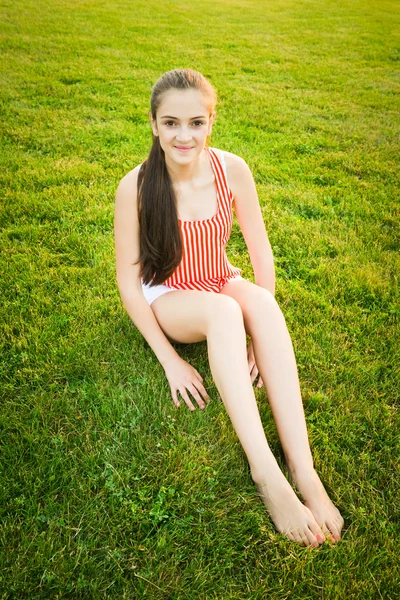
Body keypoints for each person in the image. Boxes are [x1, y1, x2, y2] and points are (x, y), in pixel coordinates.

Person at [114, 68, 344, 547]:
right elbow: (130, 284)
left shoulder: (231, 169)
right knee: (224, 314)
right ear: (154, 124)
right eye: (171, 123)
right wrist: (170, 360)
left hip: (219, 277)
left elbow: (260, 254)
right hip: (170, 295)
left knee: (258, 304)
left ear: (211, 121)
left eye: (196, 122)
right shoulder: (134, 186)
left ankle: (303, 470)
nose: (184, 135)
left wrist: (260, 340)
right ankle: (268, 476)